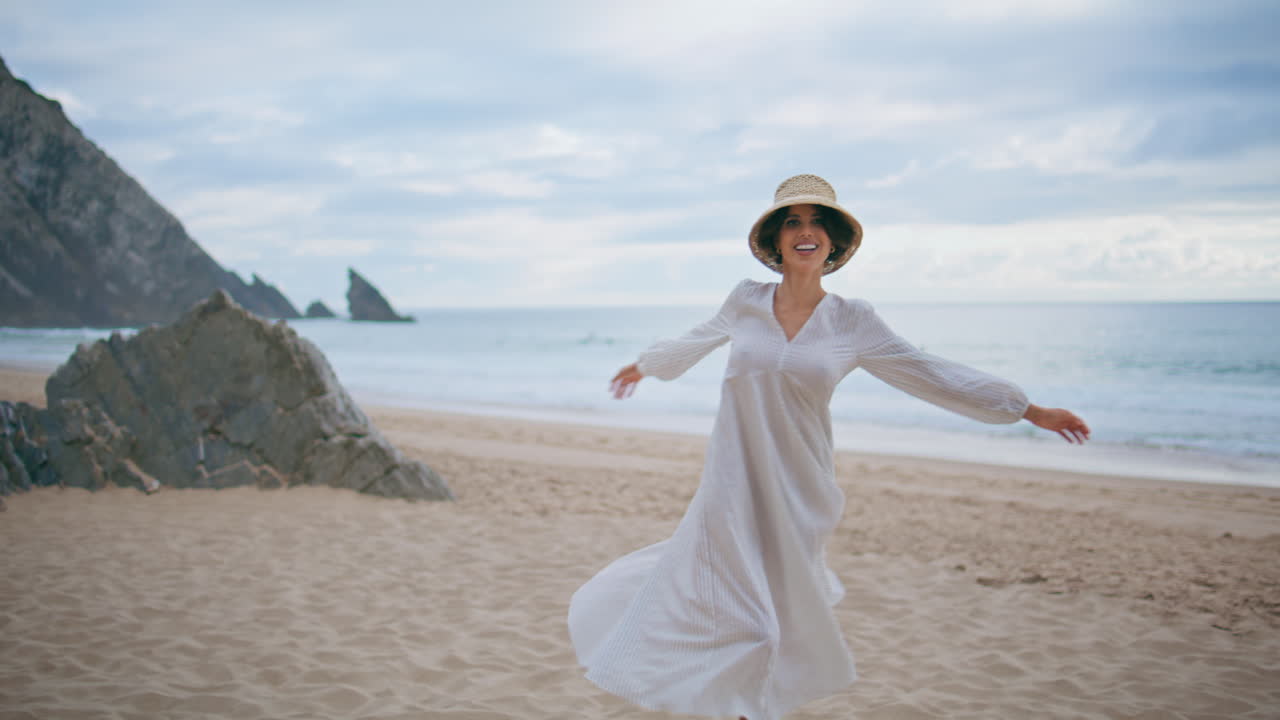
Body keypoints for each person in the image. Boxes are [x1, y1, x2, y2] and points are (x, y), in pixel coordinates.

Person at [567, 174, 1089, 720]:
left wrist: (1027, 409)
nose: (805, 231)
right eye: (792, 221)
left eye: (818, 221)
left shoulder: (853, 320)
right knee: (743, 615)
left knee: (777, 615)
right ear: (775, 240)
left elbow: (929, 372)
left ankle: (746, 705)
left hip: (800, 489)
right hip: (731, 483)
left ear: (836, 241)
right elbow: (693, 341)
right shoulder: (745, 301)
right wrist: (645, 366)